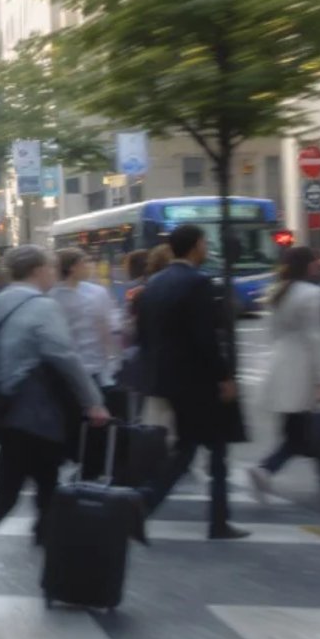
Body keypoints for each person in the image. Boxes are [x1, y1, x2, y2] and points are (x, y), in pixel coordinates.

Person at [0, 246, 110, 602]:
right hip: (37, 414)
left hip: (5, 411)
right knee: (41, 494)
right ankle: (60, 579)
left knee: (11, 491)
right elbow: (64, 356)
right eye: (48, 268)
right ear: (37, 271)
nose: (52, 274)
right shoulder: (43, 307)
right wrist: (94, 402)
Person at [136, 224, 250, 540]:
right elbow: (206, 339)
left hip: (168, 380)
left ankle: (147, 504)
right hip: (199, 382)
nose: (206, 248)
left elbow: (144, 336)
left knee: (186, 449)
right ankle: (216, 520)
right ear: (196, 246)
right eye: (204, 243)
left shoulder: (154, 284)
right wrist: (224, 376)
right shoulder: (198, 283)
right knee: (214, 452)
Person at [248, 247, 320, 507]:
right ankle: (270, 469)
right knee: (312, 430)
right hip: (304, 368)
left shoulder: (277, 292)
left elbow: (271, 332)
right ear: (309, 265)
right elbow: (318, 338)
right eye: (315, 262)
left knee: (300, 430)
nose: (318, 266)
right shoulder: (313, 294)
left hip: (280, 364)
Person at [51, 248, 120, 388]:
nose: (90, 267)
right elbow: (107, 327)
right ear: (72, 268)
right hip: (73, 369)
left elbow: (106, 327)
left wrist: (111, 360)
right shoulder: (53, 296)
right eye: (85, 263)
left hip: (92, 367)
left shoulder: (96, 292)